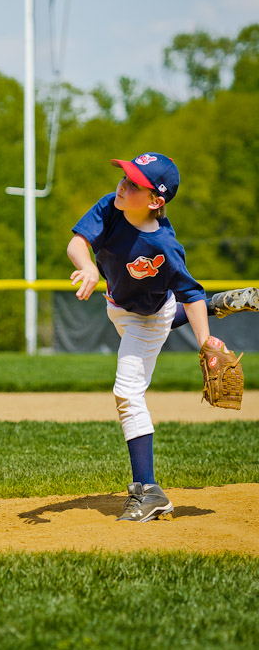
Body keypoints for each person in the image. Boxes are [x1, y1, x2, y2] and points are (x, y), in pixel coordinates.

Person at [67, 152, 258, 523]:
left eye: (134, 183)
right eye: (124, 176)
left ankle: (148, 491)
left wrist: (206, 342)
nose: (122, 185)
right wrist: (87, 265)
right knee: (162, 314)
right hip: (121, 307)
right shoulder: (111, 206)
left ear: (156, 201)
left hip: (148, 317)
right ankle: (218, 303)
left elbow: (188, 292)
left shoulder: (165, 248)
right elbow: (77, 243)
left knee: (127, 391)